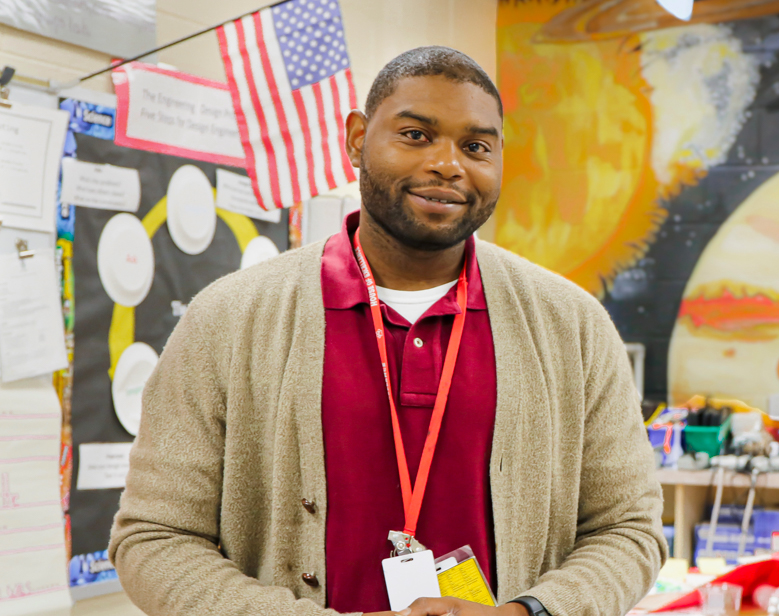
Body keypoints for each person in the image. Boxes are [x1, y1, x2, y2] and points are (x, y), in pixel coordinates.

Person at [109, 46, 666, 616]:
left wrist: (532, 612)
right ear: (357, 138)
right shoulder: (228, 319)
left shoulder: (571, 324)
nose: (448, 164)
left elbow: (629, 530)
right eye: (417, 135)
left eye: (476, 147)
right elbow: (155, 538)